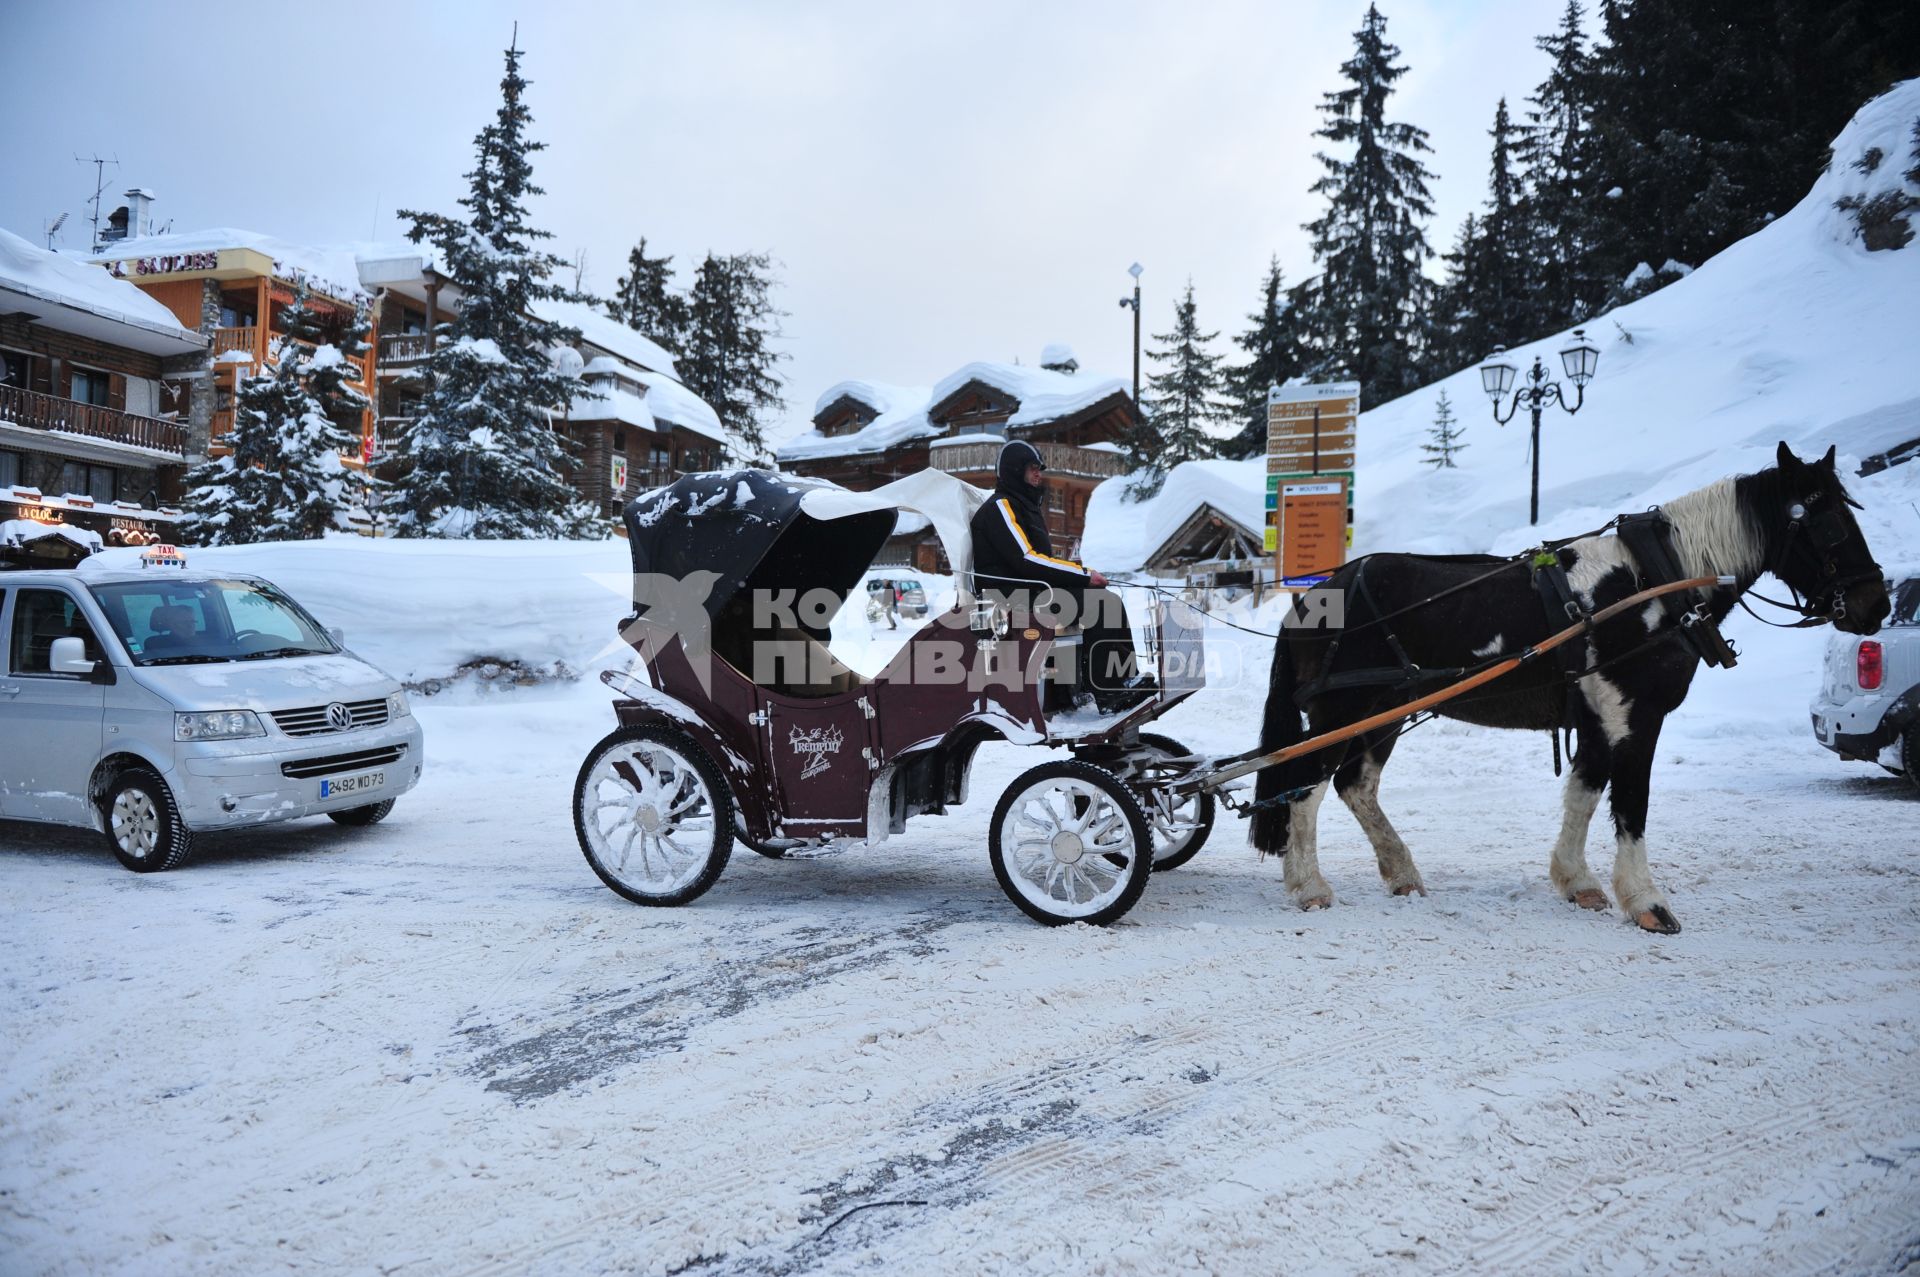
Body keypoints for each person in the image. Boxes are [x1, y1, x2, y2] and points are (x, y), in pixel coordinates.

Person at [967, 438, 1153, 712]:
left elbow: (1043, 562)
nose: (1038, 474)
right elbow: (1027, 560)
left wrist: (1082, 577)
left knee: (1106, 599)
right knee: (1102, 605)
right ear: (1014, 470)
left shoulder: (1024, 507)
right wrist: (1083, 575)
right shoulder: (1001, 507)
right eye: (1032, 468)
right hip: (1009, 600)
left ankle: (1124, 678)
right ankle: (1108, 691)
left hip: (1031, 593)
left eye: (1038, 468)